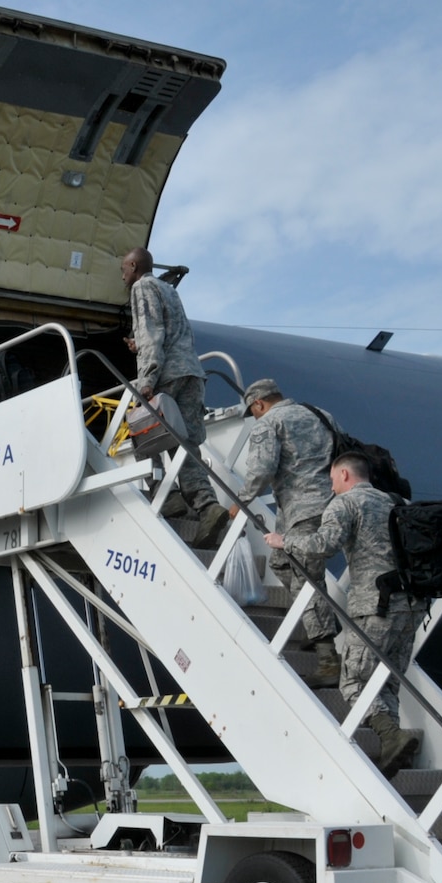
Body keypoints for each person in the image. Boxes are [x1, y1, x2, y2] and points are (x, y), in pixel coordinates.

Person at [265, 452, 419, 774]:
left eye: (333, 479)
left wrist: (285, 541)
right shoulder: (394, 501)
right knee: (386, 681)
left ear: (346, 475)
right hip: (412, 607)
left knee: (353, 681)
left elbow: (324, 544)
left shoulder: (345, 503)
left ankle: (390, 735)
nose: (331, 488)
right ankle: (392, 747)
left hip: (375, 606)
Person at [238, 377, 339, 686]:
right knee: (280, 563)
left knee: (304, 578)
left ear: (259, 403)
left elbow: (262, 469)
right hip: (331, 504)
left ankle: (328, 660)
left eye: (253, 411)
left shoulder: (269, 423)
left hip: (302, 512)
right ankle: (321, 623)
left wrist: (240, 500)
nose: (254, 416)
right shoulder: (320, 414)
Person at [120, 248, 223, 544]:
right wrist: (138, 345)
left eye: (123, 269)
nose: (123, 276)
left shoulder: (142, 287)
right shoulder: (168, 290)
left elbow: (152, 334)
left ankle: (168, 497)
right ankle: (208, 506)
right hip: (191, 371)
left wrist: (147, 380)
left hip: (167, 374)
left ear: (134, 265)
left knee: (144, 432)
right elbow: (169, 332)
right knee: (186, 444)